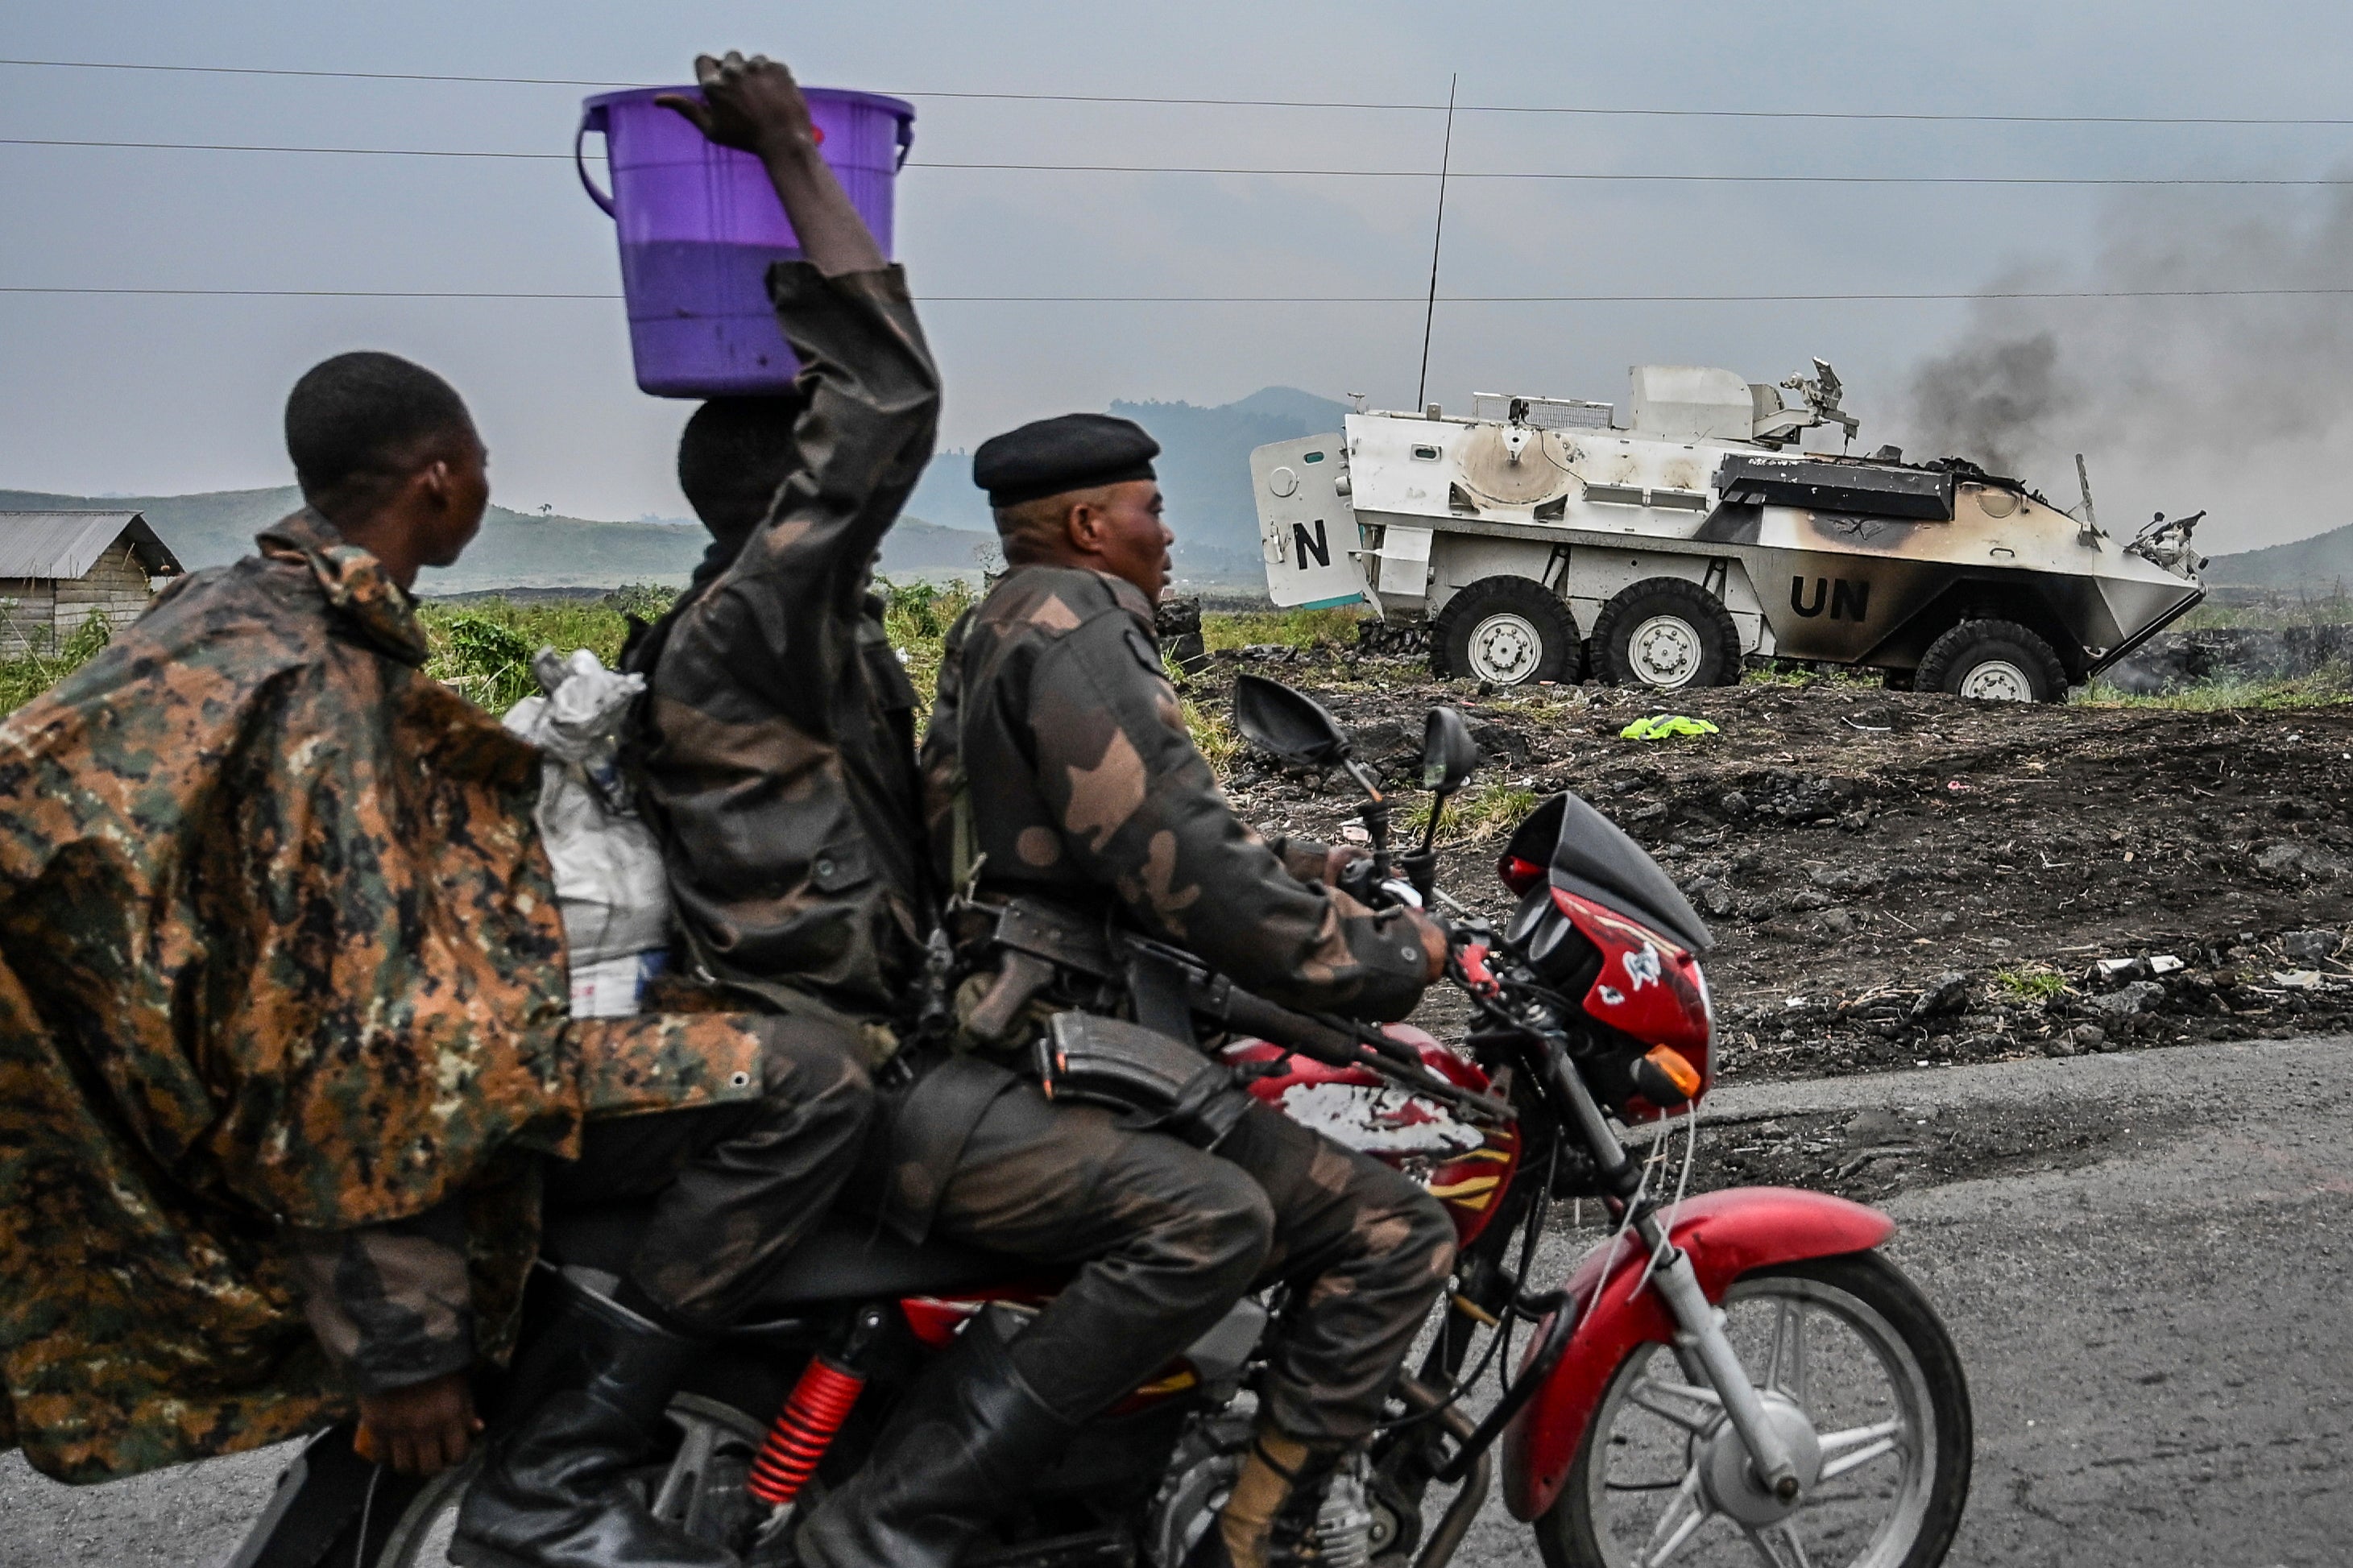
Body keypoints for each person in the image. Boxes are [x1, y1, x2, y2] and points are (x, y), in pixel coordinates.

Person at [0, 353, 874, 1568]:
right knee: (816, 1080)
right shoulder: (324, 684)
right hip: (299, 1112)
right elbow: (342, 1039)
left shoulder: (226, 613)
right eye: (483, 470)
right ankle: (562, 1456)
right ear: (442, 476)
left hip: (175, 1079)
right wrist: (402, 1343)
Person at [872, 412, 1463, 1568]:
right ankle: (1255, 1539)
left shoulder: (1002, 617)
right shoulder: (1079, 624)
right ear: (1092, 525)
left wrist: (1310, 869)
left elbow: (1087, 834)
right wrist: (1390, 962)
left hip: (998, 1004)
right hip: (1047, 1032)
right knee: (1391, 1227)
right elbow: (1182, 868)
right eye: (1150, 508)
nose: (1168, 532)